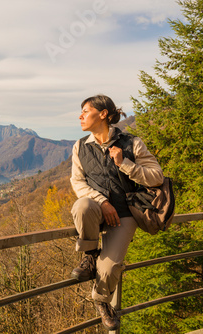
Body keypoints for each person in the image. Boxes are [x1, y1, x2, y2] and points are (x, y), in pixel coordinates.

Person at [69, 94, 163, 330]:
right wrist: (101, 202)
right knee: (82, 205)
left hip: (125, 214)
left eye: (85, 111)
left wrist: (125, 164)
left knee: (110, 268)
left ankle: (101, 301)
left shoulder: (132, 143)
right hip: (96, 210)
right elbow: (78, 183)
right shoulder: (80, 146)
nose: (80, 116)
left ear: (103, 114)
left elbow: (156, 177)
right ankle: (90, 255)